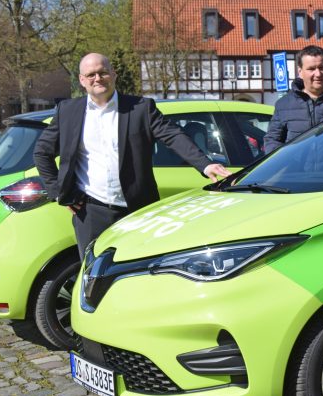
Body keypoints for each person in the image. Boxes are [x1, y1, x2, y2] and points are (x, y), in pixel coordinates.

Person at [33, 53, 232, 258]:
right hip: (91, 212)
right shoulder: (68, 111)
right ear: (82, 80)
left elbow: (173, 136)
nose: (98, 78)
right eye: (91, 75)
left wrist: (205, 165)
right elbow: (42, 153)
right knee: (94, 278)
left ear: (114, 74)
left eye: (103, 72)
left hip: (139, 210)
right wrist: (59, 193)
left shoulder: (141, 108)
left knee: (141, 272)